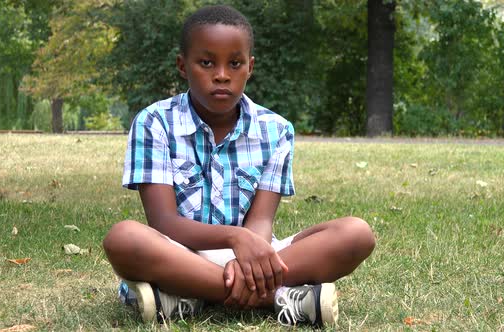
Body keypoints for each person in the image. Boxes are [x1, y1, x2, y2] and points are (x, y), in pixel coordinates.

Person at [103, 4, 375, 327]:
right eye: (206, 63)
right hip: (180, 253)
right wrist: (234, 238)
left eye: (235, 63)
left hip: (254, 254)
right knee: (123, 239)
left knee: (357, 234)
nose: (221, 74)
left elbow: (261, 221)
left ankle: (187, 296)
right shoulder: (153, 123)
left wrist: (247, 256)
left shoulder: (276, 131)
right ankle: (279, 298)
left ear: (250, 67)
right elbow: (163, 222)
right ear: (182, 66)